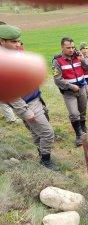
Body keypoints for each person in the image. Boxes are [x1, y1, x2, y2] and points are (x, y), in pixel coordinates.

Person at [0, 24, 59, 170]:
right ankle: (45, 161)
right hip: (27, 104)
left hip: (35, 98)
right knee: (48, 134)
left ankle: (41, 154)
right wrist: (25, 112)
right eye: (14, 42)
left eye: (19, 41)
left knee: (36, 132)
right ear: (2, 41)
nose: (18, 44)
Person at [52, 37, 88, 146]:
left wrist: (82, 60)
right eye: (68, 48)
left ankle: (83, 126)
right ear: (62, 48)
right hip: (69, 91)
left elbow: (87, 69)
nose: (71, 50)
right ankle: (78, 134)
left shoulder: (78, 56)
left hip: (82, 87)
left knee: (83, 110)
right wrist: (70, 86)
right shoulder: (57, 61)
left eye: (73, 47)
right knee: (74, 113)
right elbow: (57, 79)